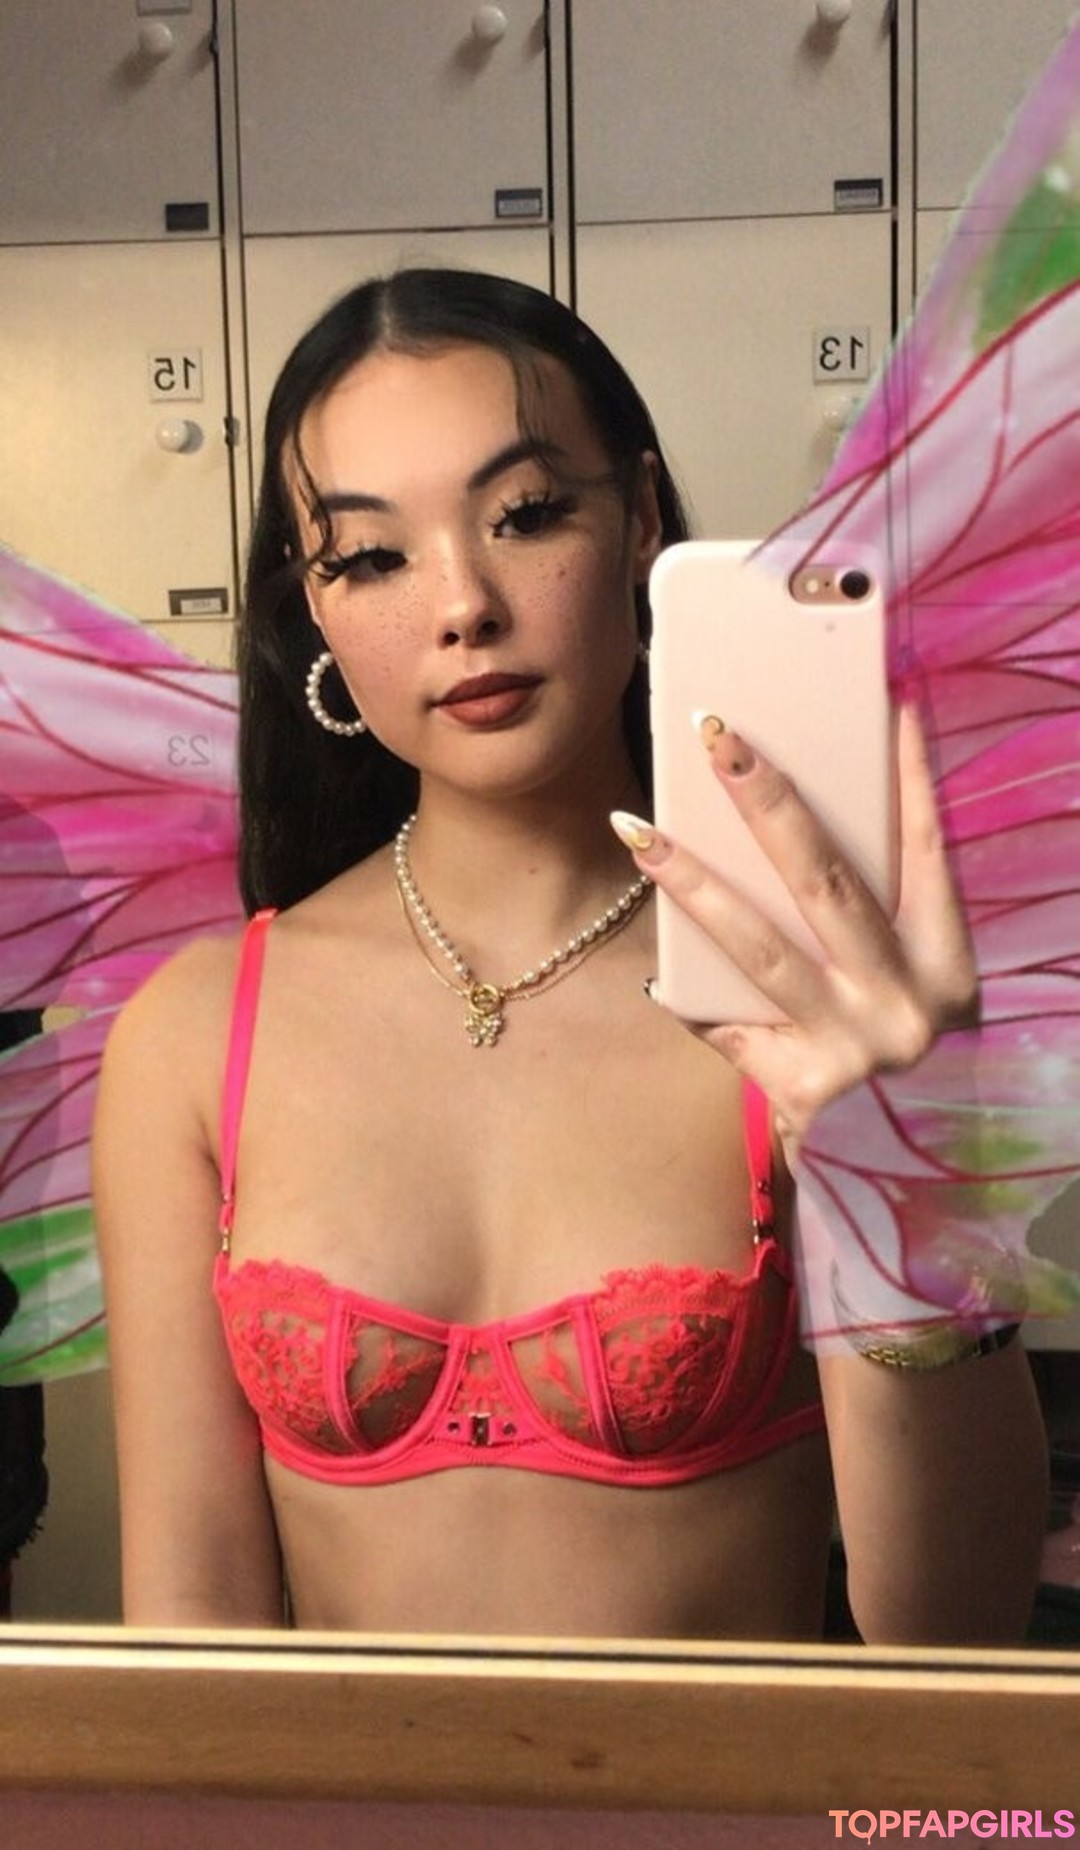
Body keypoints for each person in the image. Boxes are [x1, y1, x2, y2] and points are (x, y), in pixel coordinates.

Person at [92, 269, 1048, 1641]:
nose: (463, 605)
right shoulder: (195, 1036)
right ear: (314, 609)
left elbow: (954, 1630)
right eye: (371, 557)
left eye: (527, 513)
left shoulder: (812, 1010)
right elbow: (191, 1618)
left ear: (641, 519)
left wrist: (904, 1183)